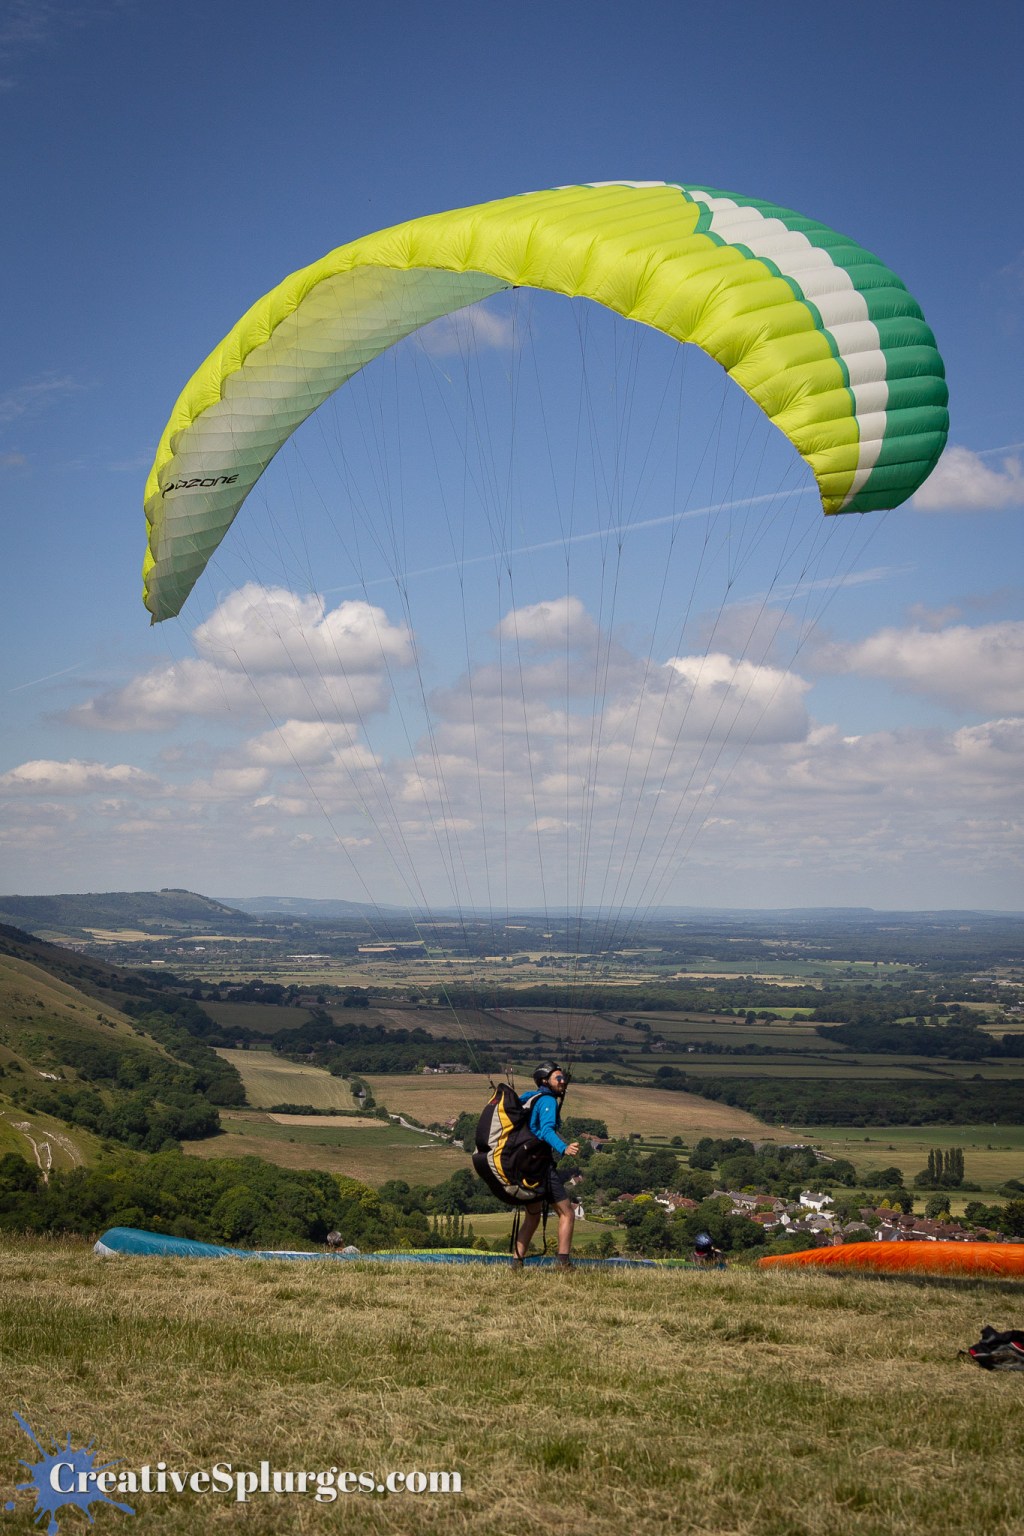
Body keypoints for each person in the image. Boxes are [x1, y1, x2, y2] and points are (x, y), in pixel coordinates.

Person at [513, 1063, 579, 1271]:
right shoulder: (548, 1100)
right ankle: (563, 1262)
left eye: (563, 1078)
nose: (563, 1081)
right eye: (558, 1078)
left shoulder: (530, 1097)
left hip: (525, 1164)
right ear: (545, 1081)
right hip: (541, 1165)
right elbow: (547, 1130)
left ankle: (516, 1263)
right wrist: (564, 1147)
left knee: (532, 1215)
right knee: (567, 1213)